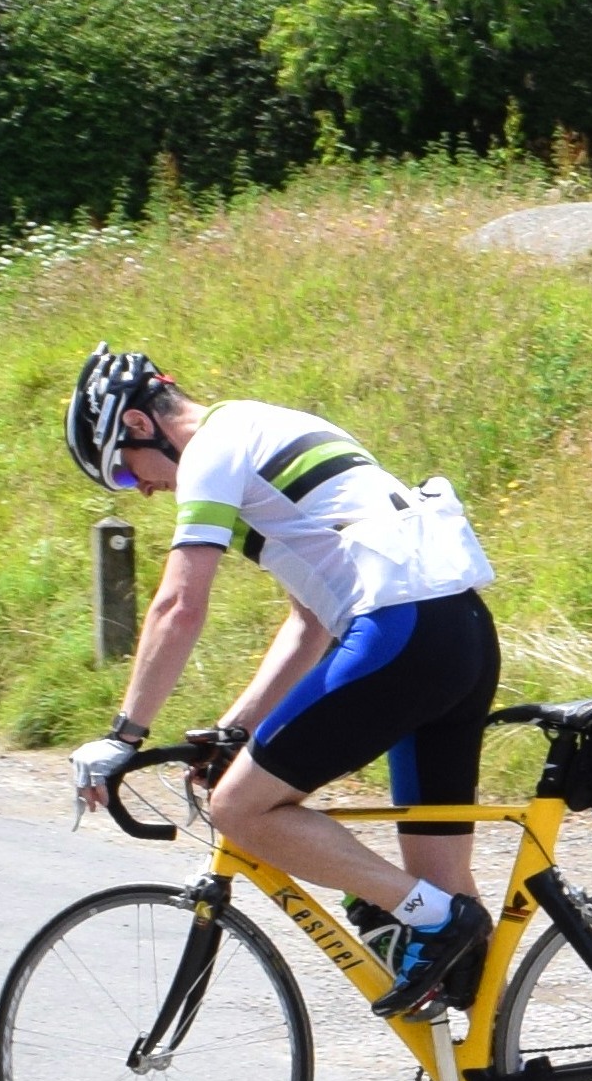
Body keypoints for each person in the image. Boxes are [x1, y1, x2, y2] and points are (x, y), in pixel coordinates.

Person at [66, 350, 506, 1021]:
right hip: (460, 633)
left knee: (240, 810)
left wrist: (125, 734)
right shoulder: (261, 425)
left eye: (125, 470)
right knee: (443, 887)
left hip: (402, 632)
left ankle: (432, 920)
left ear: (138, 421)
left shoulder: (211, 450)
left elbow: (179, 605)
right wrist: (235, 729)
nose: (141, 489)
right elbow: (310, 624)